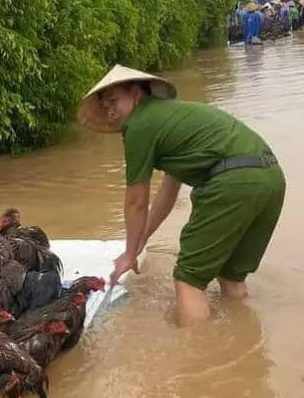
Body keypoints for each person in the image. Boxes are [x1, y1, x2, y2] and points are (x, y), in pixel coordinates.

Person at [78, 64, 286, 325]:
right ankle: (241, 343)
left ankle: (198, 359)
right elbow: (167, 193)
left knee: (188, 279)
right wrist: (140, 242)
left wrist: (129, 254)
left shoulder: (139, 125)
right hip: (271, 179)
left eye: (114, 101)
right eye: (105, 106)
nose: (109, 111)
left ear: (135, 94)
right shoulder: (171, 118)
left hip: (233, 181)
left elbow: (136, 201)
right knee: (231, 277)